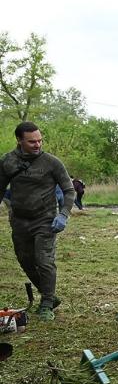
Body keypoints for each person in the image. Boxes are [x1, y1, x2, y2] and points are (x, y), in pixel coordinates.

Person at [0, 122, 74, 320]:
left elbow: (69, 190)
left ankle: (47, 303)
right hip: (19, 220)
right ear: (19, 140)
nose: (37, 145)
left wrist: (63, 214)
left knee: (44, 261)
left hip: (46, 219)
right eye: (32, 141)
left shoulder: (52, 162)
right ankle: (49, 294)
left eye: (40, 140)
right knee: (25, 260)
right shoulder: (7, 162)